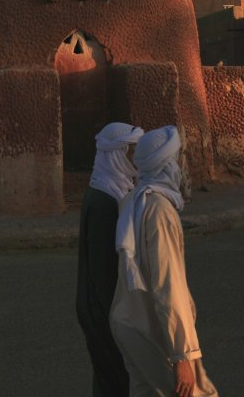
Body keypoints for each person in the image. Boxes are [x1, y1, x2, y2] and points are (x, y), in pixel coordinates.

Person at [110, 125, 218, 397]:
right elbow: (167, 284)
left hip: (129, 325)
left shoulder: (132, 200)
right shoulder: (159, 210)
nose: (181, 165)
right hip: (153, 331)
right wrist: (182, 354)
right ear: (166, 164)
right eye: (177, 158)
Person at [76, 121, 144, 397]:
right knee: (115, 380)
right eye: (131, 152)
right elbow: (103, 272)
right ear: (117, 154)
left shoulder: (106, 189)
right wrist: (117, 319)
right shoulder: (104, 201)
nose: (135, 159)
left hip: (98, 306)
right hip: (102, 310)